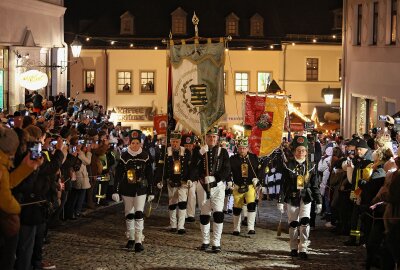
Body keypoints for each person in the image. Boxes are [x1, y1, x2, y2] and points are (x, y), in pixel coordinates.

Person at [0, 127, 41, 270]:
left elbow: (8, 183)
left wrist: (26, 168)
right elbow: (4, 198)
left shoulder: (3, 162)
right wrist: (15, 210)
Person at [277, 135, 322, 260]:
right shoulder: (288, 165)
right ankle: (293, 247)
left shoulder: (312, 166)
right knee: (293, 223)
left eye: (303, 150)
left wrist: (319, 201)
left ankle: (303, 248)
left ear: (307, 152)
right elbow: (283, 184)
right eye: (298, 150)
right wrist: (281, 200)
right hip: (292, 197)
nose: (301, 153)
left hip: (306, 197)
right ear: (294, 151)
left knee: (305, 222)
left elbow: (315, 185)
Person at [190, 126, 231, 253]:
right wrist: (199, 155)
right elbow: (193, 168)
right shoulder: (199, 151)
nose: (211, 139)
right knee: (204, 214)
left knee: (218, 213)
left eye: (214, 137)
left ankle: (216, 242)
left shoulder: (223, 152)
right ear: (205, 138)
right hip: (202, 185)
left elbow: (226, 168)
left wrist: (216, 178)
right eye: (209, 137)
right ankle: (205, 241)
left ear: (217, 138)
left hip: (218, 186)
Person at [112, 130, 154, 252]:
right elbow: (118, 175)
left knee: (139, 213)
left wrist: (151, 191)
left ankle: (138, 240)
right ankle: (130, 238)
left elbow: (150, 174)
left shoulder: (145, 156)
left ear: (140, 143)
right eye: (133, 143)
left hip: (141, 189)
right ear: (129, 143)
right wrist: (116, 190)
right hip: (127, 189)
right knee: (129, 213)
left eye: (137, 143)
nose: (135, 145)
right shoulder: (124, 156)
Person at [155, 131, 191, 234]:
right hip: (171, 181)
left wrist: (190, 178)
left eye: (177, 142)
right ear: (170, 142)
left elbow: (190, 168)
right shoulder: (165, 152)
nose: (175, 144)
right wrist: (159, 180)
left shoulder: (186, 152)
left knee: (183, 203)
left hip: (183, 181)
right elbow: (160, 167)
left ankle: (181, 226)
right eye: (173, 142)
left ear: (180, 142)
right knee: (172, 203)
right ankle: (173, 225)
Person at [228, 136, 260, 235]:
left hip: (250, 185)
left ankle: (251, 227)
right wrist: (229, 181)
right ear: (238, 148)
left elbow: (259, 170)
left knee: (251, 205)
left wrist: (257, 179)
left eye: (244, 148)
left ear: (247, 148)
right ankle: (236, 228)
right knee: (237, 208)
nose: (242, 150)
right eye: (240, 148)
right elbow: (228, 171)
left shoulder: (253, 158)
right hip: (237, 185)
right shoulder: (233, 159)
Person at [182, 134, 199, 223]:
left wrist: (191, 179)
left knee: (192, 195)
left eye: (190, 145)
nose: (188, 147)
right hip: (183, 179)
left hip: (193, 178)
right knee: (183, 197)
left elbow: (196, 167)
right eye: (186, 146)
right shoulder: (181, 153)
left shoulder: (196, 153)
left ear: (193, 145)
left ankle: (191, 214)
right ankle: (183, 214)